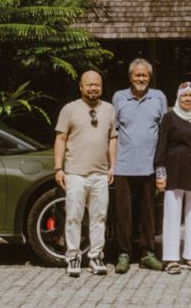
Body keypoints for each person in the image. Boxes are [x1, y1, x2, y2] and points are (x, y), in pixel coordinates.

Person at [53, 69, 117, 278]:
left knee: (99, 217)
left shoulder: (108, 109)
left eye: (96, 84)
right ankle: (73, 255)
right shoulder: (69, 109)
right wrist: (58, 168)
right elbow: (61, 138)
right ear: (80, 86)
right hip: (75, 173)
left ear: (101, 86)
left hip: (100, 173)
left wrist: (112, 166)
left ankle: (96, 255)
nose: (93, 88)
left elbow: (112, 139)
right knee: (73, 216)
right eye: (88, 84)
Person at [110, 58, 167, 273]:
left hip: (149, 166)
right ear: (130, 77)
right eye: (137, 75)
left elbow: (163, 132)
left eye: (144, 75)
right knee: (123, 214)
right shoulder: (119, 97)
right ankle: (123, 254)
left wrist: (162, 168)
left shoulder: (158, 97)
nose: (141, 78)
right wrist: (112, 164)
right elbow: (113, 131)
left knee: (148, 214)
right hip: (123, 166)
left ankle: (147, 253)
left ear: (149, 77)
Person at [154, 81, 191, 274]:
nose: (188, 99)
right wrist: (160, 173)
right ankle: (170, 258)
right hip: (173, 171)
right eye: (184, 95)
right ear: (178, 97)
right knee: (172, 216)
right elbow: (161, 147)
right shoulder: (170, 117)